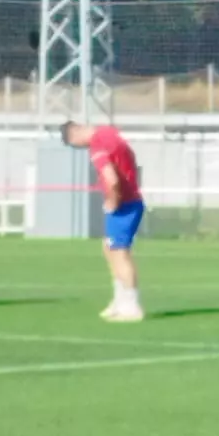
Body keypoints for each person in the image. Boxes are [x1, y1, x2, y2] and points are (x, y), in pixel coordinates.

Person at [61, 121, 147, 320]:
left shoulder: (98, 146)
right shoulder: (109, 132)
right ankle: (120, 299)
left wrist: (113, 200)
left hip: (124, 204)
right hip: (130, 200)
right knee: (109, 248)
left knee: (120, 252)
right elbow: (129, 158)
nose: (80, 147)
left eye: (75, 144)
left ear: (75, 134)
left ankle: (131, 305)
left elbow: (112, 178)